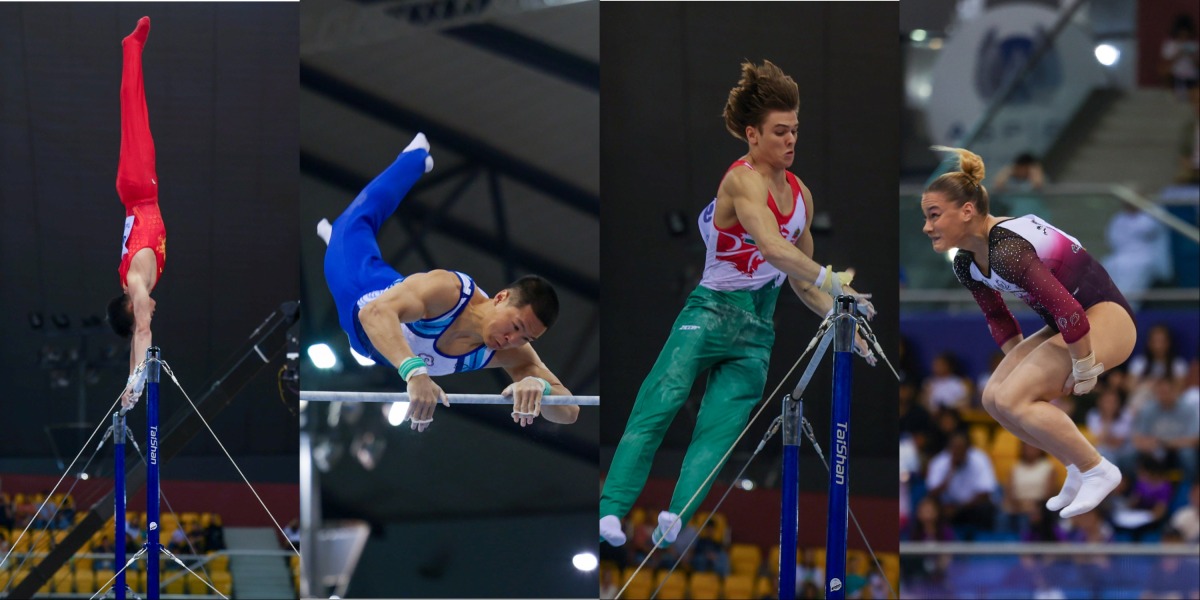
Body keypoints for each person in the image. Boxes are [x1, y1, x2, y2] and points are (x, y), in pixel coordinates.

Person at [599, 60, 875, 547]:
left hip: (757, 332)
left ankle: (676, 515)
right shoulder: (740, 180)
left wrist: (844, 317)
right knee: (658, 404)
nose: (791, 140)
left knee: (718, 433)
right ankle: (613, 508)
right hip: (709, 313)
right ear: (752, 134)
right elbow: (772, 248)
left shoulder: (802, 197)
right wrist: (837, 282)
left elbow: (803, 282)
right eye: (780, 132)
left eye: (795, 130)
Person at [920, 146, 1136, 519]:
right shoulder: (968, 262)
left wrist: (1084, 368)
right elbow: (999, 318)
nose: (926, 227)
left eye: (934, 215)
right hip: (1069, 322)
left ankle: (1098, 469)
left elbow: (1068, 309)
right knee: (995, 399)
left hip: (1106, 317)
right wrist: (1019, 365)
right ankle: (1074, 464)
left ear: (967, 211)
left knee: (1016, 398)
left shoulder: (1007, 249)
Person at [319, 132, 578, 432]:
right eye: (516, 326)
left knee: (388, 280)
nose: (512, 340)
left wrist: (541, 388)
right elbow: (372, 314)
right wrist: (415, 373)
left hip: (396, 305)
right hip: (362, 295)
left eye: (526, 338)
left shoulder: (510, 352)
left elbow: (569, 411)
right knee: (350, 228)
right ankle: (415, 158)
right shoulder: (450, 291)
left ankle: (348, 247)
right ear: (501, 297)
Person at [105, 17, 165, 411]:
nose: (147, 312)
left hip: (138, 191)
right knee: (136, 112)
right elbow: (136, 339)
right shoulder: (136, 287)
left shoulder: (137, 284)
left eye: (140, 313)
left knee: (133, 109)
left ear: (131, 306)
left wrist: (139, 386)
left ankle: (132, 46)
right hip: (143, 190)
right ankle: (133, 49)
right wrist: (129, 387)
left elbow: (142, 333)